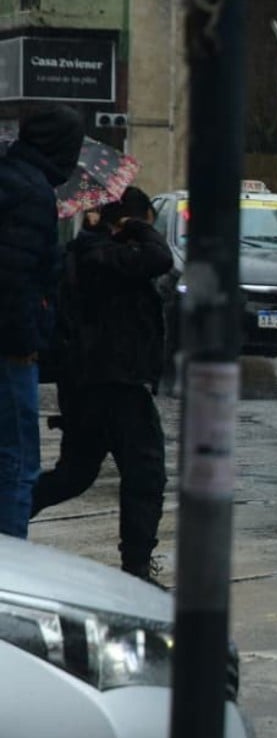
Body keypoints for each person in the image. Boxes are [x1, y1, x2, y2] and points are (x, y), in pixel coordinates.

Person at [32, 187, 172, 582]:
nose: (151, 229)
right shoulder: (101, 255)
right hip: (114, 384)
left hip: (94, 383)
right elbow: (160, 257)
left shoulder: (95, 253)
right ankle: (137, 567)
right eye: (147, 220)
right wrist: (136, 228)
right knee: (145, 472)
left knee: (75, 474)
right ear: (127, 220)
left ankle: (10, 513)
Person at [0, 106, 83, 538]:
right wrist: (26, 342)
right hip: (11, 352)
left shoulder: (12, 178)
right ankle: (12, 569)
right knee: (17, 467)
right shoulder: (33, 194)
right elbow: (15, 277)